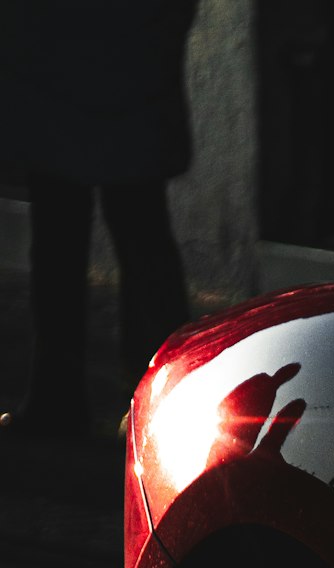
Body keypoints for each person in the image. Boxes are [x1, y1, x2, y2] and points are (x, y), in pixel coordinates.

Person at [1, 1, 199, 438]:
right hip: (119, 76)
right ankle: (166, 397)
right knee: (139, 240)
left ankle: (60, 397)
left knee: (65, 242)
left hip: (61, 77)